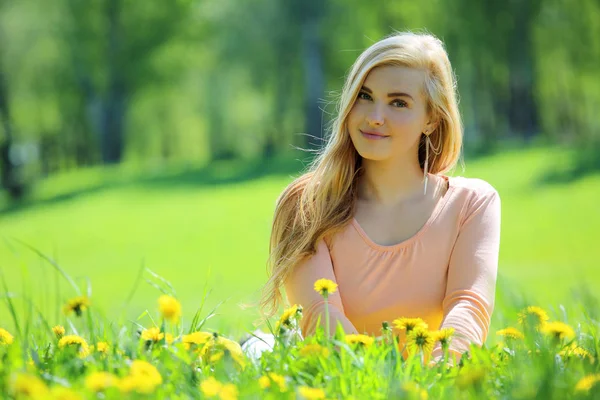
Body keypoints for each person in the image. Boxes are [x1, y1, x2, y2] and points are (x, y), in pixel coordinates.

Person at [246, 31, 502, 365]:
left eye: (398, 102)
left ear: (431, 119)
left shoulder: (472, 205)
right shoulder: (306, 205)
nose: (374, 116)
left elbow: (469, 307)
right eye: (365, 96)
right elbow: (320, 322)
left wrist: (439, 381)